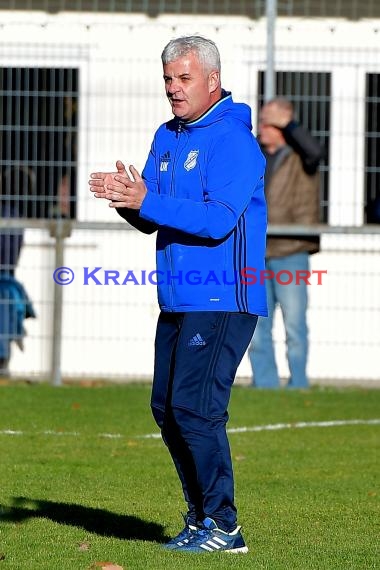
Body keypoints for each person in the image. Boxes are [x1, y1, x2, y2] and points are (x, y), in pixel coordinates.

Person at [89, 35, 267, 553]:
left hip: (225, 297)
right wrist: (128, 200)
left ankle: (225, 527)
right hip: (178, 296)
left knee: (196, 408)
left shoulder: (234, 140)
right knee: (167, 408)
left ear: (213, 80)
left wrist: (148, 200)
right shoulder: (167, 136)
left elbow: (216, 223)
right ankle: (199, 519)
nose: (173, 88)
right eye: (168, 78)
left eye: (183, 78)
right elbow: (153, 219)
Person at [248, 97, 324, 389]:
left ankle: (298, 385)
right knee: (257, 326)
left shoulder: (301, 156)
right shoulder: (254, 155)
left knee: (294, 325)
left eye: (270, 122)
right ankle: (265, 385)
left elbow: (316, 150)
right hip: (255, 252)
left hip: (291, 251)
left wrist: (288, 123)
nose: (263, 127)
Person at [0, 166, 36, 376]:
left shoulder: (11, 216)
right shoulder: (13, 217)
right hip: (6, 277)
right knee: (10, 301)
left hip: (6, 277)